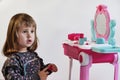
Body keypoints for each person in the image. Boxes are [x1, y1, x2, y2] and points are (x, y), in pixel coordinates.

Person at [2, 13, 58, 80]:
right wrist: (37, 77)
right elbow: (14, 78)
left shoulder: (33, 55)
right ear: (13, 35)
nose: (29, 35)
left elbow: (40, 71)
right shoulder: (13, 60)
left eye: (32, 31)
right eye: (25, 31)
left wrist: (48, 68)